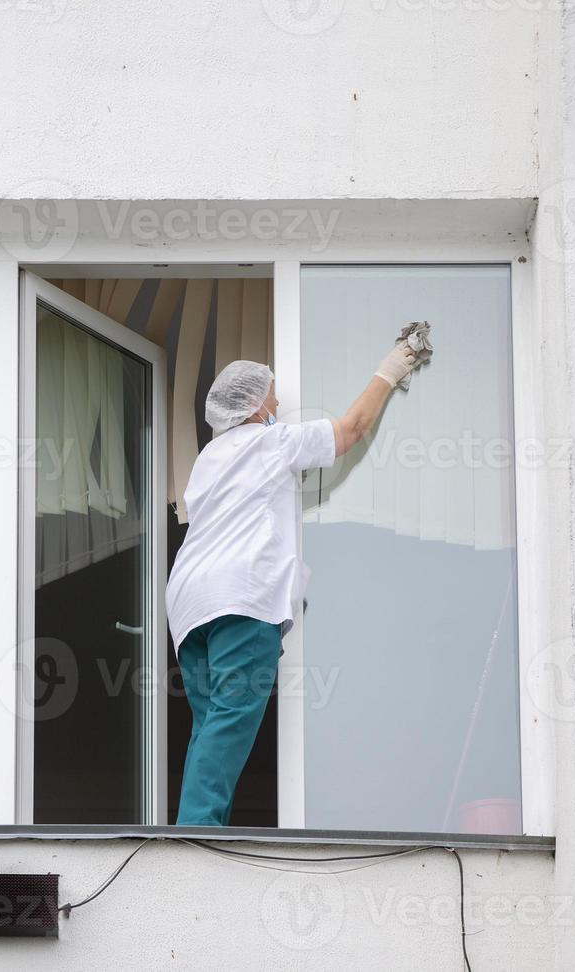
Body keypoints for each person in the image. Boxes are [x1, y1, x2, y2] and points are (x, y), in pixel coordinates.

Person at [166, 345, 421, 826]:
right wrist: (392, 368)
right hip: (240, 594)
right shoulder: (270, 442)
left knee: (210, 724)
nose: (279, 406)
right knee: (231, 718)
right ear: (255, 405)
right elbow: (351, 430)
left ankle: (191, 830)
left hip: (188, 601)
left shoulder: (208, 458)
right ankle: (195, 834)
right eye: (274, 397)